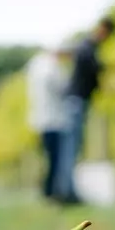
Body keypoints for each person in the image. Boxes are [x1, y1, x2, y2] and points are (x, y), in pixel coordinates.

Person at [56, 16, 115, 204]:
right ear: (104, 30)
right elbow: (92, 68)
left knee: (71, 148)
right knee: (71, 148)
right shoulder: (86, 47)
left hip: (75, 102)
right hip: (76, 101)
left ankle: (66, 191)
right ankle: (67, 193)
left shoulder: (87, 47)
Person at [25, 46, 71, 201]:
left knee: (50, 158)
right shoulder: (50, 69)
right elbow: (62, 88)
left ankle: (49, 191)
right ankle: (51, 192)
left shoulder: (36, 67)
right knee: (55, 159)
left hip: (43, 121)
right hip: (53, 121)